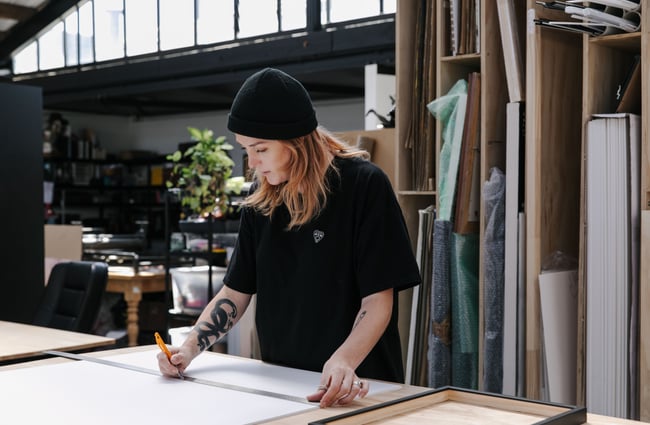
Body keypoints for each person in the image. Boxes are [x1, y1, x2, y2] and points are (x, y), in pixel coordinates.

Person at [157, 67, 421, 408]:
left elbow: (377, 301)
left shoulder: (365, 186)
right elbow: (236, 292)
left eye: (260, 149)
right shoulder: (262, 198)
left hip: (359, 387)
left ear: (295, 141)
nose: (251, 163)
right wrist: (190, 347)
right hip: (280, 386)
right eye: (246, 150)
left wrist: (343, 361)